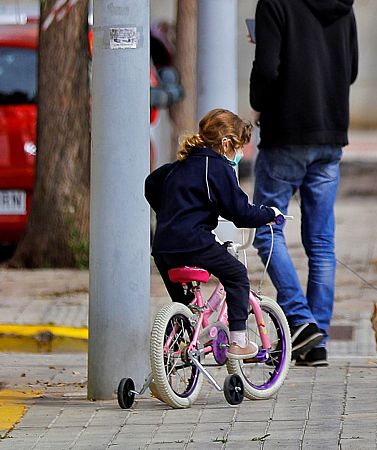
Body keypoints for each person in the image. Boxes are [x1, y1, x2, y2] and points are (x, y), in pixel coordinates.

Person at [249, 0, 358, 367]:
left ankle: (300, 320)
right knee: (321, 242)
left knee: (266, 232)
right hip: (331, 133)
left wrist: (258, 103)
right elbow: (352, 70)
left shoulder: (275, 4)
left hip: (285, 134)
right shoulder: (344, 5)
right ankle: (317, 343)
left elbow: (266, 68)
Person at [145, 108, 281, 360]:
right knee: (237, 275)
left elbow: (151, 183)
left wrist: (170, 211)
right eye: (239, 147)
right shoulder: (217, 167)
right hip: (194, 242)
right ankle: (239, 341)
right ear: (227, 142)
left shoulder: (179, 166)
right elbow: (240, 212)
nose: (239, 154)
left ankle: (179, 351)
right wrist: (270, 214)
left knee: (186, 306)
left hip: (164, 246)